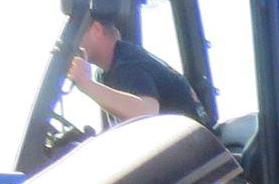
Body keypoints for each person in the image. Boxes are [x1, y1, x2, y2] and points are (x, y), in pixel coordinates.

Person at [66, 14, 206, 126]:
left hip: (192, 152)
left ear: (96, 29)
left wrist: (86, 84)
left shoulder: (127, 62)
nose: (72, 44)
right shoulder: (106, 71)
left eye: (74, 35)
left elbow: (146, 112)